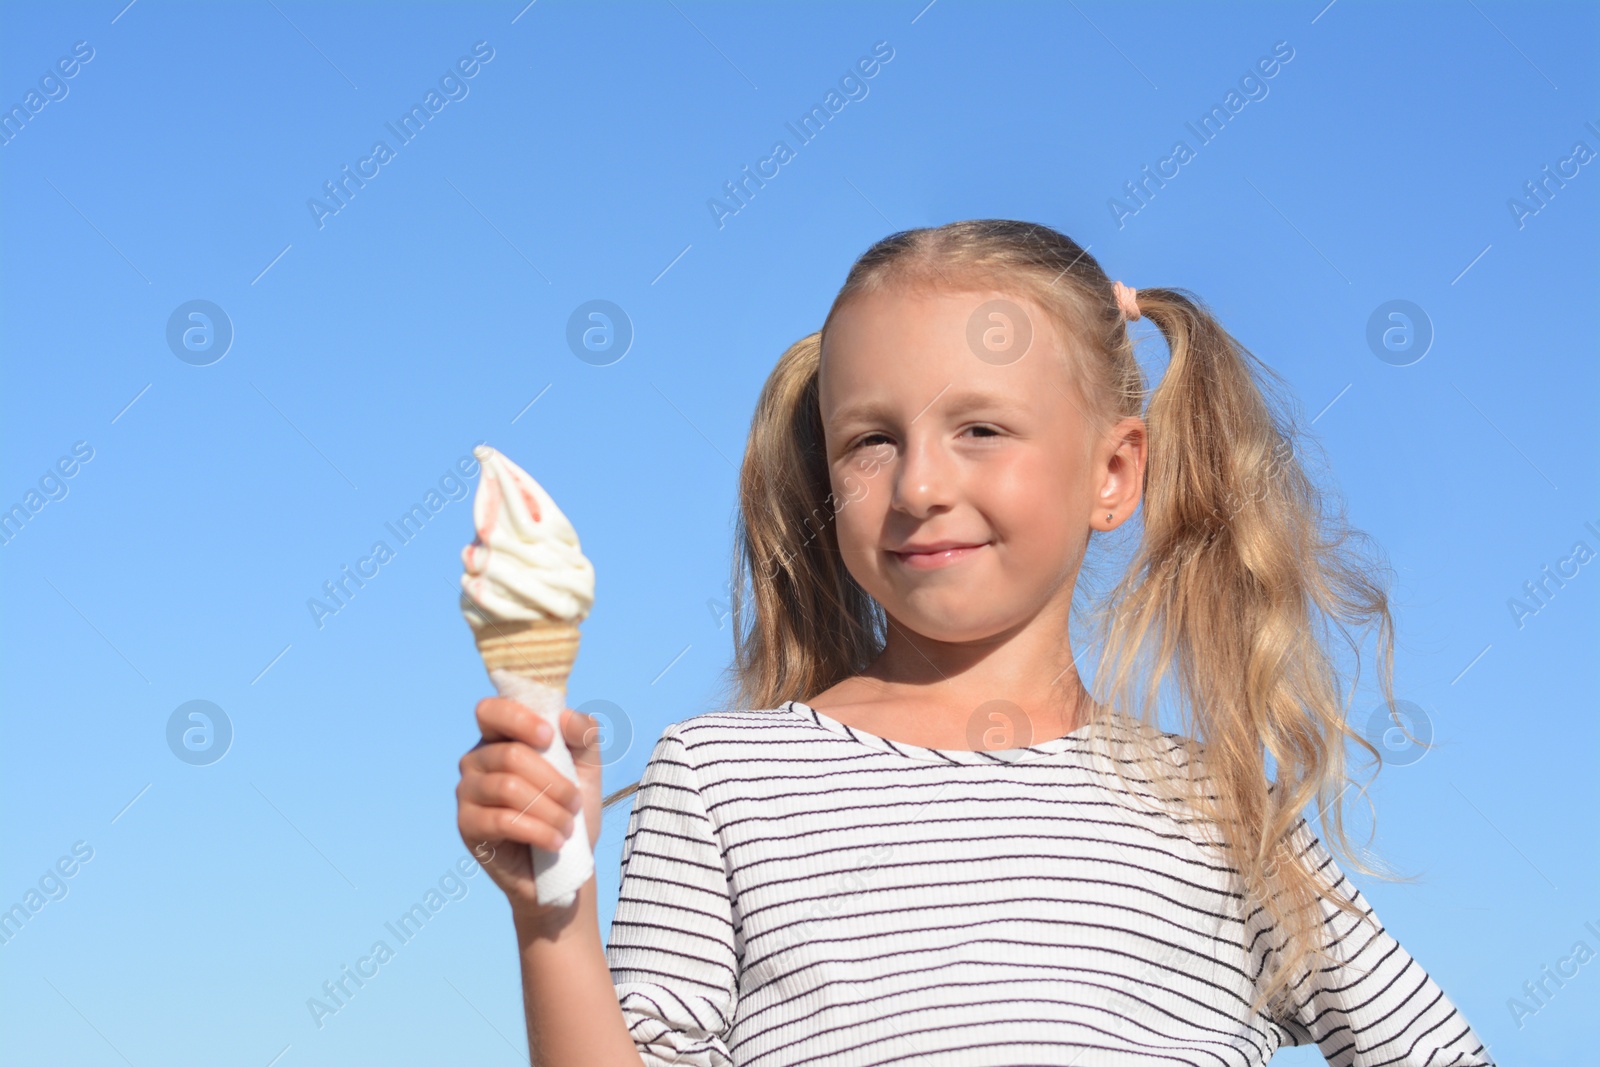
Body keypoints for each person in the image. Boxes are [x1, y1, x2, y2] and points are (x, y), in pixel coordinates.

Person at [454, 219, 1495, 1066]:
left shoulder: (1218, 808)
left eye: (980, 430)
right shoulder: (723, 779)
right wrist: (554, 907)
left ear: (1113, 473)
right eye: (871, 439)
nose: (918, 486)